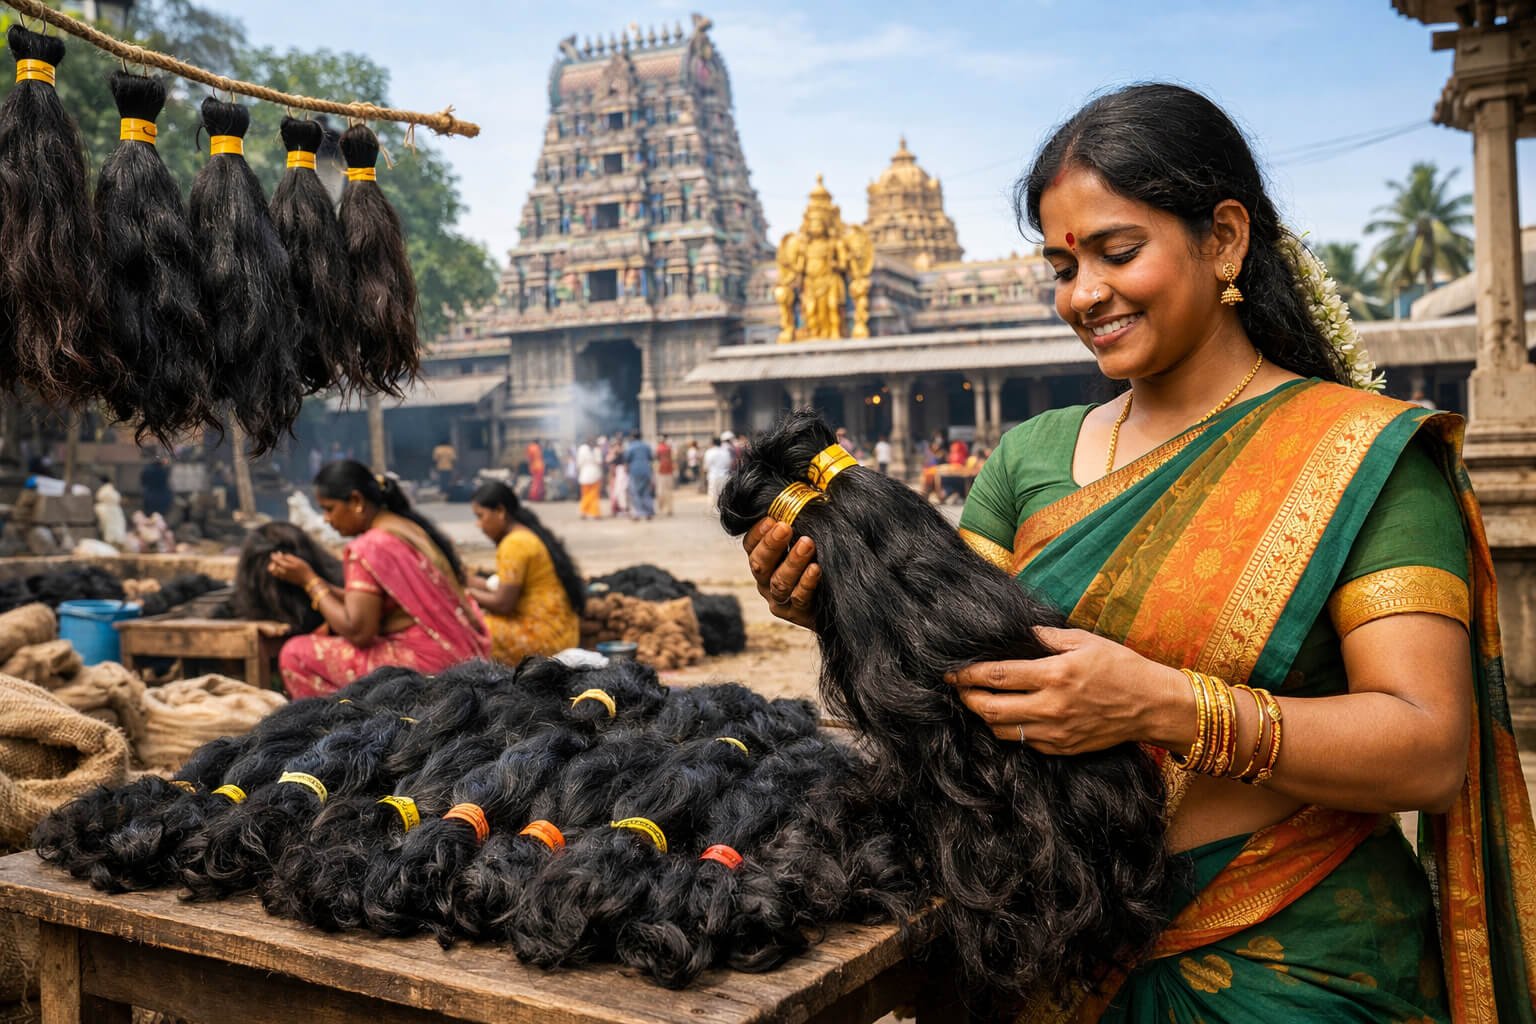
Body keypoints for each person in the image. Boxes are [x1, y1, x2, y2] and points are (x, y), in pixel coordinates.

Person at [738, 84, 1536, 1022]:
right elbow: (957, 678)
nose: (1084, 295)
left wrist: (1163, 705)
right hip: (1040, 941)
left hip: (1290, 957)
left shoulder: (1360, 453)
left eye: (1119, 252)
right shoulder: (1031, 456)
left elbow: (1429, 752)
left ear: (1225, 239)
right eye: (1062, 265)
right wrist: (839, 598)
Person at [268, 461, 488, 699]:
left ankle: (347, 726)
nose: (326, 520)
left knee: (295, 654)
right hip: (459, 651)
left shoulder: (368, 547)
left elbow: (359, 631)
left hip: (430, 661)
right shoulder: (405, 527)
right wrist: (321, 586)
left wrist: (309, 581)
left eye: (329, 509)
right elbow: (382, 602)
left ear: (356, 501)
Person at [464, 481, 582, 663]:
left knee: (469, 626)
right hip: (562, 629)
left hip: (543, 636)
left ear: (501, 512)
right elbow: (499, 587)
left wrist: (467, 594)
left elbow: (503, 604)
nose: (479, 525)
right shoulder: (524, 535)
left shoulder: (514, 544)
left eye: (481, 516)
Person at [625, 431, 655, 520]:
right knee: (646, 492)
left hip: (635, 471)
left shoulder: (630, 447)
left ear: (633, 437)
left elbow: (626, 459)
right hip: (646, 470)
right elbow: (651, 458)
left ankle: (637, 513)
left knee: (635, 492)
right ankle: (648, 512)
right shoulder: (646, 446)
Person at [704, 432, 735, 512]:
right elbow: (729, 464)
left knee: (713, 493)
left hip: (713, 476)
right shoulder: (725, 452)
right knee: (722, 493)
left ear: (712, 443)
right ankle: (722, 509)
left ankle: (713, 510)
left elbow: (706, 465)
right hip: (724, 475)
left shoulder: (709, 452)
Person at [576, 437, 603, 519]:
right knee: (594, 495)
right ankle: (595, 513)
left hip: (585, 474)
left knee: (586, 495)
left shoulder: (582, 449)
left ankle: (584, 512)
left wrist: (578, 470)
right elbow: (600, 462)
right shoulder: (597, 450)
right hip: (595, 474)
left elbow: (579, 463)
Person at [140, 451, 172, 518]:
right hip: (162, 497)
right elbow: (167, 482)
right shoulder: (164, 471)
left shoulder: (146, 470)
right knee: (160, 518)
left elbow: (143, 482)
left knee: (150, 518)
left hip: (149, 497)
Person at [654, 434, 676, 516]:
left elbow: (656, 460)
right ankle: (669, 509)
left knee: (660, 491)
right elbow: (673, 459)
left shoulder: (658, 448)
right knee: (669, 491)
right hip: (669, 471)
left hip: (661, 472)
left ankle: (661, 507)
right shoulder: (669, 448)